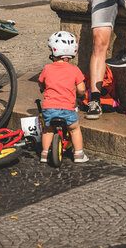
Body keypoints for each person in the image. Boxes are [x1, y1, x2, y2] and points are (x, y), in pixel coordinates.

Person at [38, 31, 88, 164]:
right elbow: (82, 89)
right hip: (68, 110)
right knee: (74, 129)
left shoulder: (47, 68)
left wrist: (43, 89)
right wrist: (80, 95)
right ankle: (78, 154)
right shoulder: (75, 70)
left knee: (48, 129)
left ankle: (44, 153)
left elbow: (41, 82)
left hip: (49, 109)